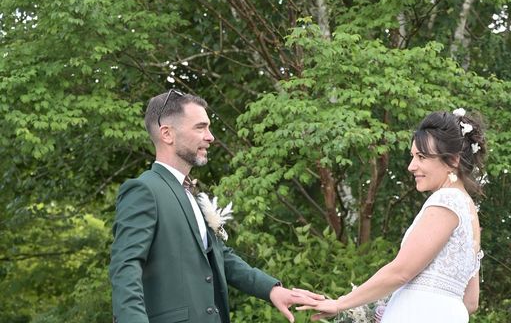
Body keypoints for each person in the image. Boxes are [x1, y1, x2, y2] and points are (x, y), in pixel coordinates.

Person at [109, 89, 323, 323]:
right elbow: (126, 269)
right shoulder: (144, 190)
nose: (210, 137)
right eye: (200, 127)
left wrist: (272, 290)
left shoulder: (191, 193)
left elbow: (221, 256)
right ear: (167, 134)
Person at [298, 109, 486, 322]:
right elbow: (471, 301)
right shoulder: (469, 212)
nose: (411, 166)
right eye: (412, 156)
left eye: (421, 157)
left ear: (452, 160)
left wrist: (340, 304)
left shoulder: (447, 201)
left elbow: (401, 272)